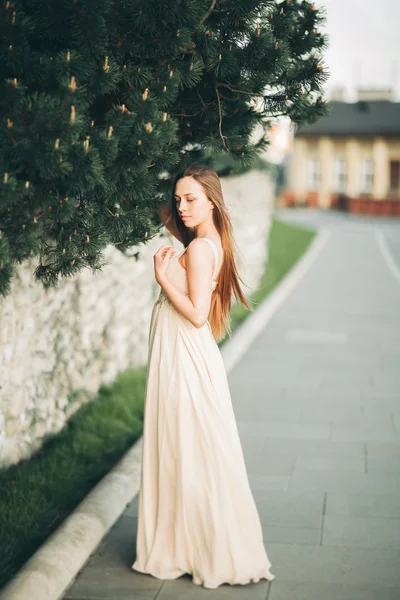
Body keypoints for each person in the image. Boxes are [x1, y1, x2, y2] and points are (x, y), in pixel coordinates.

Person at [131, 163, 275, 588]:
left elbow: (195, 314)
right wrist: (162, 183)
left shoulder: (198, 249)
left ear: (212, 200)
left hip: (185, 355)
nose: (182, 207)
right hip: (186, 355)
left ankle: (196, 546)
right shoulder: (205, 241)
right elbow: (164, 211)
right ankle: (191, 543)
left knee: (188, 449)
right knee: (190, 449)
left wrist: (162, 277)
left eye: (192, 199)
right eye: (179, 199)